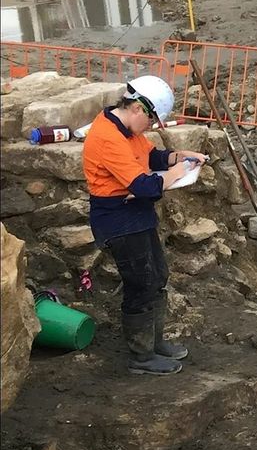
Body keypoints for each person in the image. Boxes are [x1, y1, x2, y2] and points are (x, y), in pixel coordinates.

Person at [82, 75, 209, 375]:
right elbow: (144, 185)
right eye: (151, 120)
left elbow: (151, 156)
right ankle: (141, 356)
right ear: (138, 108)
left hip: (136, 214)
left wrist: (179, 157)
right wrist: (177, 173)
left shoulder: (126, 129)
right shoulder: (107, 137)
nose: (150, 127)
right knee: (140, 282)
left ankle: (154, 342)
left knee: (157, 274)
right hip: (117, 218)